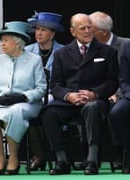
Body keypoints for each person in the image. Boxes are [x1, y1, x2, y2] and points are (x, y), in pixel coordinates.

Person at [40, 13, 119, 175]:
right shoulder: (61, 54)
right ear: (73, 32)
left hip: (94, 100)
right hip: (69, 102)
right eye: (82, 28)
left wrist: (95, 94)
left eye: (89, 27)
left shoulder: (107, 51)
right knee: (48, 113)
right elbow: (55, 85)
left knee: (92, 108)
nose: (87, 31)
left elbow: (112, 82)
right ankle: (62, 161)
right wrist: (68, 95)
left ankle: (92, 160)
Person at [0, 21, 47, 175]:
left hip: (28, 104)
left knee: (14, 111)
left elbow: (41, 88)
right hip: (3, 103)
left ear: (17, 43)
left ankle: (14, 158)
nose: (2, 44)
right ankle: (0, 159)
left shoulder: (34, 60)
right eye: (1, 40)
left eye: (5, 40)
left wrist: (24, 96)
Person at [87, 11, 130, 170]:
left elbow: (122, 76)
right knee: (93, 108)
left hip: (118, 93)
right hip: (102, 93)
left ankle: (120, 153)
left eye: (90, 28)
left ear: (103, 32)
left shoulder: (124, 44)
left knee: (116, 109)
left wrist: (118, 93)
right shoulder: (88, 47)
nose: (86, 32)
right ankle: (92, 157)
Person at [24, 11, 65, 171]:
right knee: (27, 110)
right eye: (37, 29)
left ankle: (57, 157)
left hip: (55, 94)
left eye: (44, 30)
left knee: (47, 109)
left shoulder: (63, 51)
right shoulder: (26, 51)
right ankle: (39, 155)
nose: (39, 33)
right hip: (33, 93)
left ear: (52, 33)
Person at [109, 40, 130, 174]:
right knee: (117, 112)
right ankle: (128, 155)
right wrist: (128, 94)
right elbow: (123, 79)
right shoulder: (127, 46)